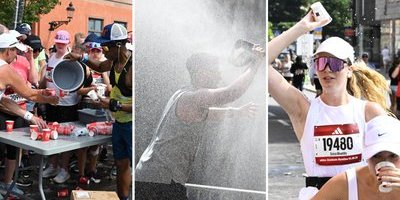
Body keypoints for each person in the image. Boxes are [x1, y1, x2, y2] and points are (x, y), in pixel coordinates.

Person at [268, 11, 390, 191]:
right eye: (320, 62)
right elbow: (261, 64)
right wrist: (302, 27)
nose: (326, 70)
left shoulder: (369, 112)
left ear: (349, 70)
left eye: (334, 64)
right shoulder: (304, 111)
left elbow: (391, 160)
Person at [135, 44, 263, 199]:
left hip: (153, 177)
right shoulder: (193, 97)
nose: (219, 77)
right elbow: (230, 93)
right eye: (215, 71)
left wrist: (236, 112)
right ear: (202, 73)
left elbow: (208, 114)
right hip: (160, 181)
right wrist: (255, 63)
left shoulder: (184, 95)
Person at [64, 23, 132, 200]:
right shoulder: (115, 60)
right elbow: (101, 67)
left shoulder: (133, 68)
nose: (102, 49)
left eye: (105, 46)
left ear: (118, 45)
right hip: (120, 123)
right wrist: (81, 59)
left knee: (136, 165)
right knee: (121, 164)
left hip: (132, 125)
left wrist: (114, 105)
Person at [311, 115, 400, 199]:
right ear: (366, 156)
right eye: (376, 156)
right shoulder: (347, 183)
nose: (385, 163)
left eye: (393, 155)